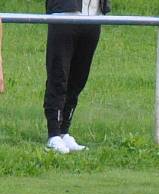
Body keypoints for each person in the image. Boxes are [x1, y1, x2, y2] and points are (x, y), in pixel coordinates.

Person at [43, 0, 111, 154]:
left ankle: (64, 131)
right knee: (59, 74)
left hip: (93, 15)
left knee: (79, 79)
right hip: (64, 13)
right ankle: (53, 133)